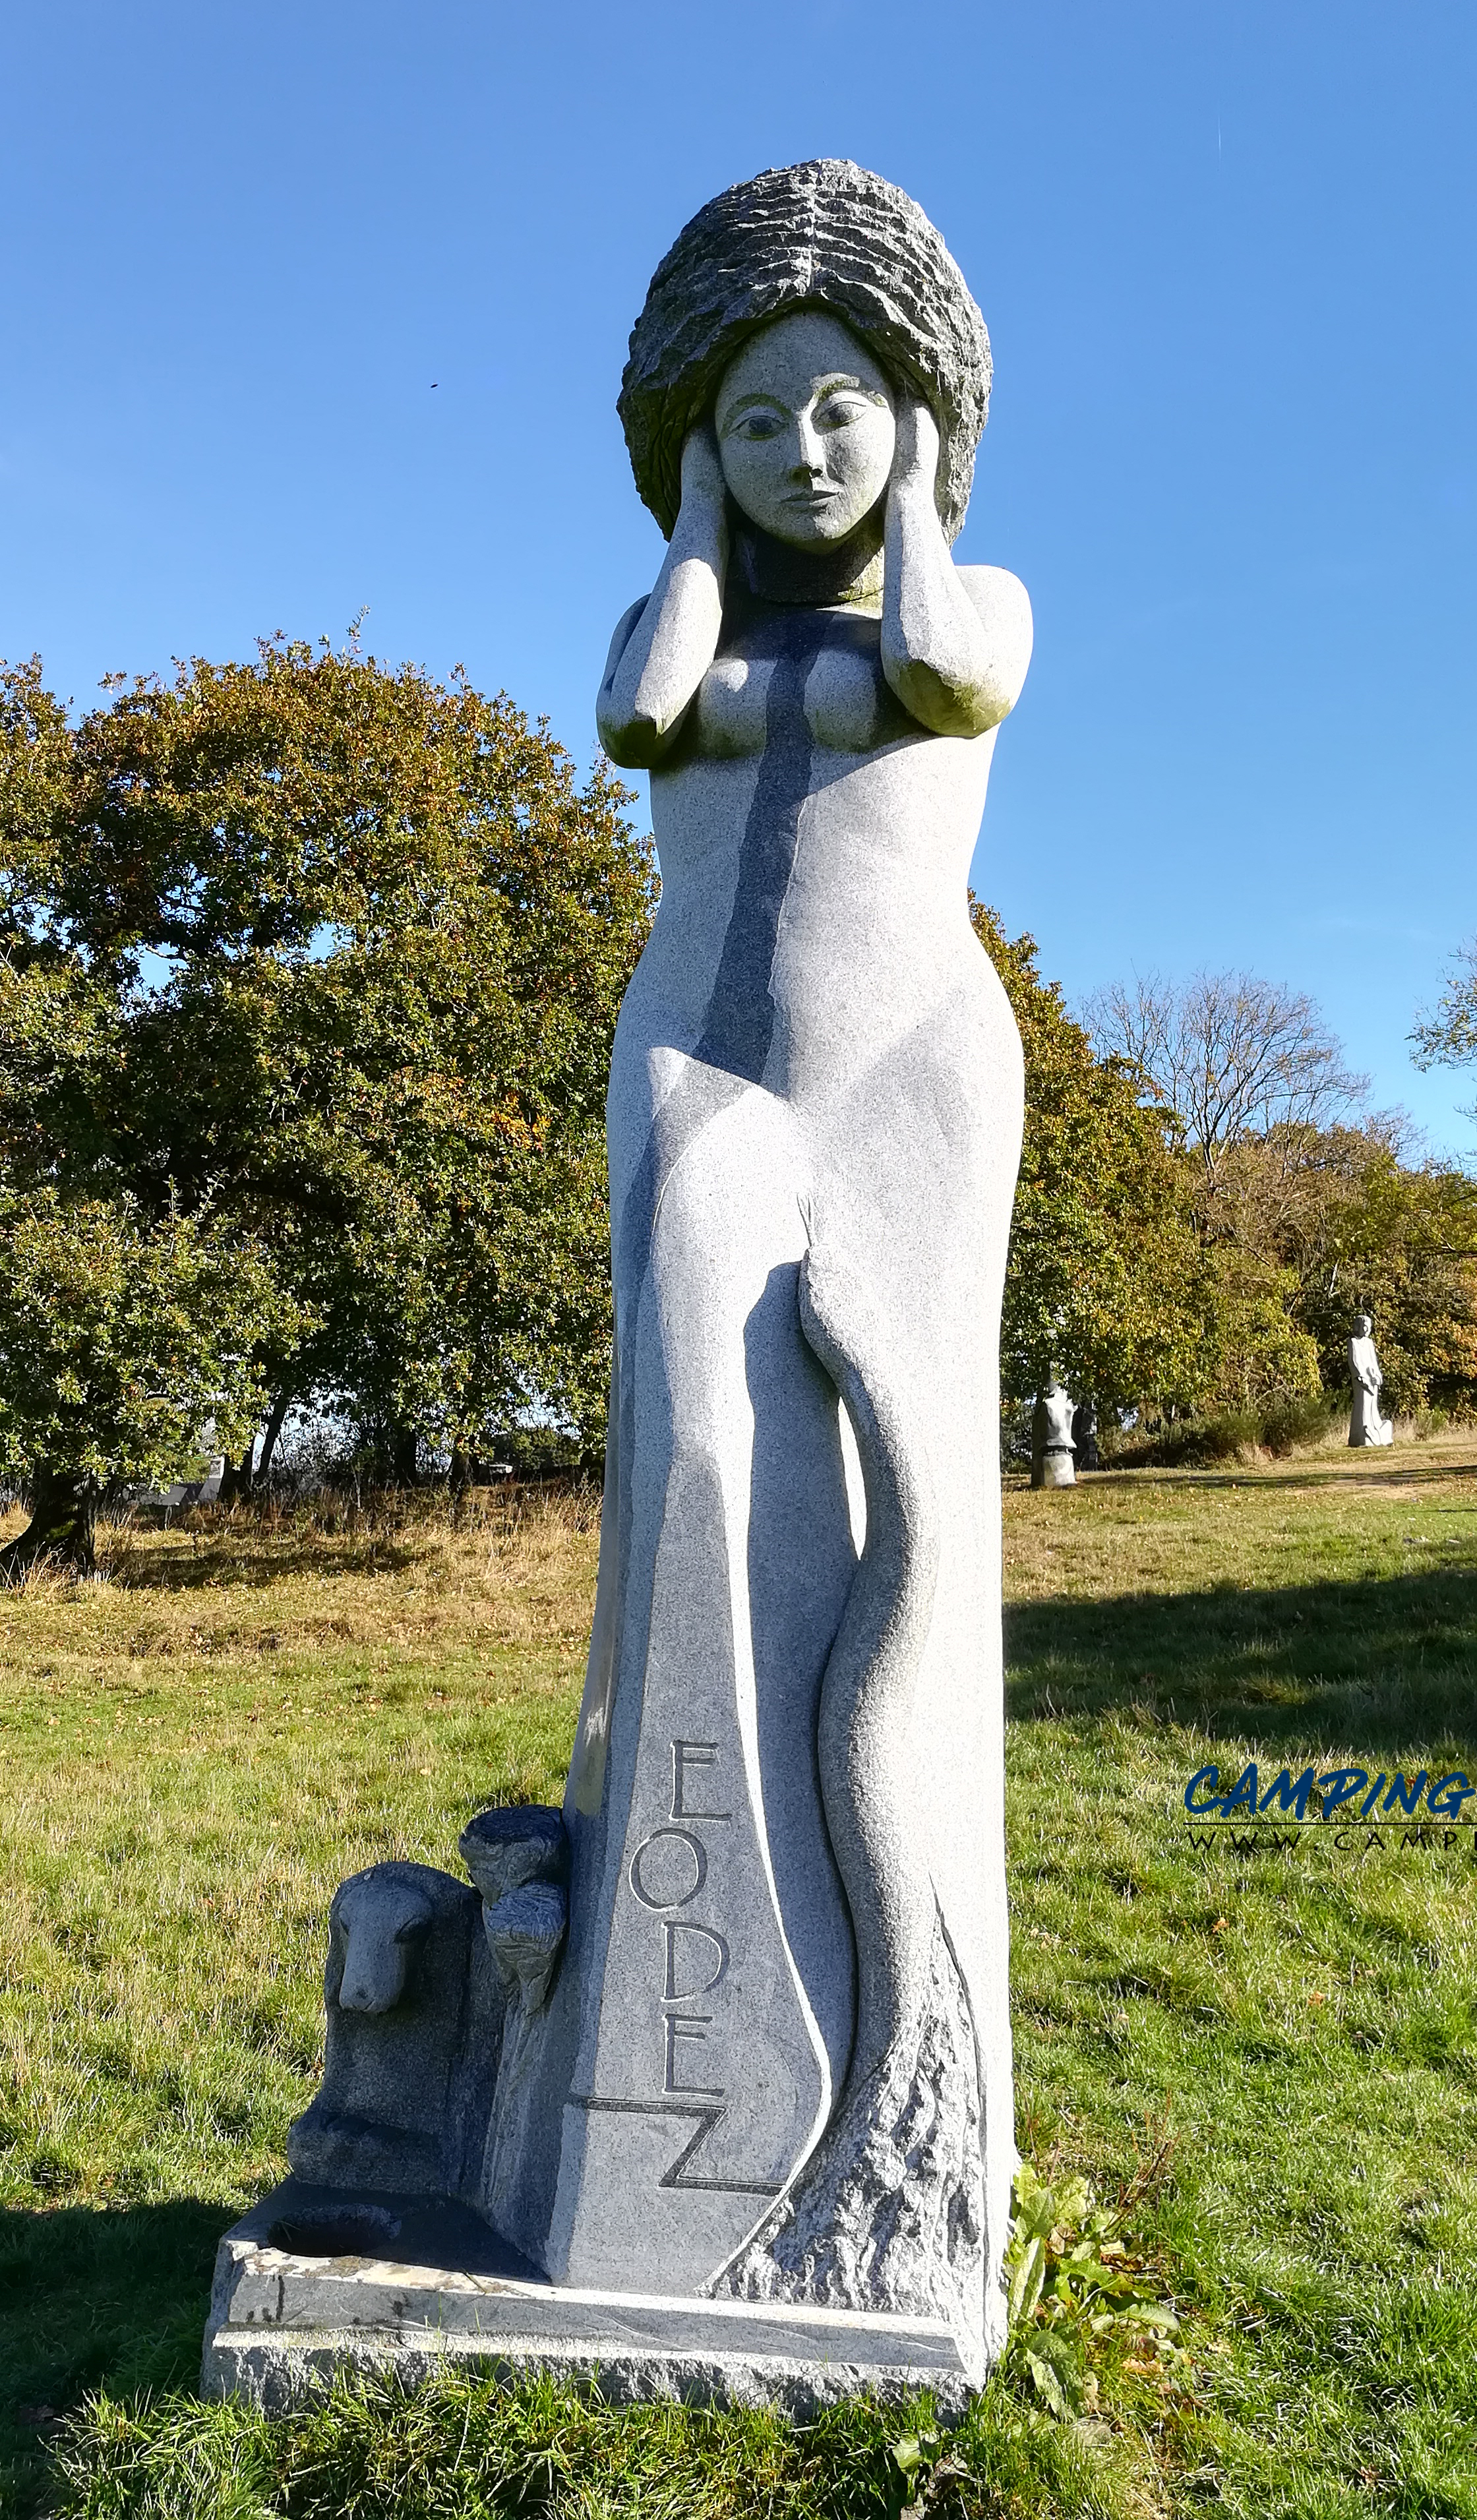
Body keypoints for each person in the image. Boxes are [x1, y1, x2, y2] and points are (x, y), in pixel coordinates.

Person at [534, 164, 1031, 2366]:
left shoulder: (981, 595)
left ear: (913, 422)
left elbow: (933, 662)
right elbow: (642, 712)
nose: (804, 447)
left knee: (914, 1557)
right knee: (700, 1508)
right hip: (704, 1079)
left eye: (844, 407)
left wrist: (913, 480)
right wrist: (694, 544)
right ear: (697, 453)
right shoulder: (699, 630)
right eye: (759, 419)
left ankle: (910, 2082)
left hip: (912, 1081)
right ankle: (699, 2050)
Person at [1348, 1313, 1394, 1447]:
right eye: (1364, 1326)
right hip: (1361, 1381)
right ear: (1359, 1326)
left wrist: (1378, 1377)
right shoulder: (1353, 1342)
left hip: (1372, 1380)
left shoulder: (1369, 1343)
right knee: (1362, 1405)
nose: (1367, 1329)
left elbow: (1374, 1362)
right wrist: (1361, 1378)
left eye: (1369, 1327)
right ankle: (1361, 1436)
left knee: (1373, 1406)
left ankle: (1376, 1433)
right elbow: (1354, 1362)